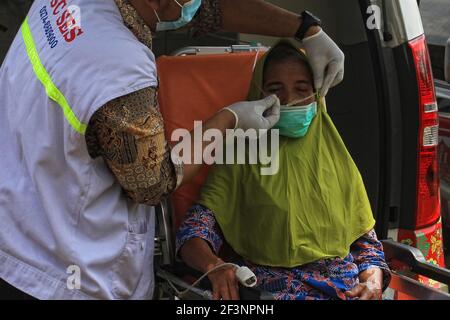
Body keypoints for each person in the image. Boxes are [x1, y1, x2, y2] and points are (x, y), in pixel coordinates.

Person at [0, 0, 344, 299]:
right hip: (65, 277)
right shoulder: (118, 67)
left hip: (19, 229)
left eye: (302, 89)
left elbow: (203, 11)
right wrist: (226, 121)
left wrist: (304, 28)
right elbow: (153, 182)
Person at [176, 41, 391, 300]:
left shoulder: (335, 157)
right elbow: (194, 231)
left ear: (317, 94)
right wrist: (214, 265)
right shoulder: (241, 154)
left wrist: (372, 281)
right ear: (259, 94)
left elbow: (367, 246)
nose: (289, 100)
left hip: (344, 289)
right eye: (276, 91)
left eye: (302, 89)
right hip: (272, 291)